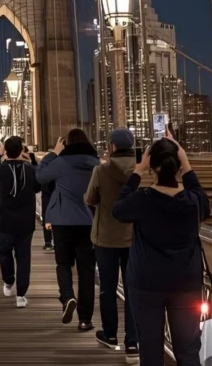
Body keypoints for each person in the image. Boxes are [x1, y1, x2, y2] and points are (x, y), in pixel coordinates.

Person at [113, 136, 210, 366]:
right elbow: (204, 202)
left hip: (146, 283)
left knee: (150, 350)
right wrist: (187, 165)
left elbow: (118, 210)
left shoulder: (142, 199)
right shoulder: (194, 201)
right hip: (186, 283)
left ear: (152, 167)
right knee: (188, 352)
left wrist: (137, 172)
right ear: (178, 166)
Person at [36, 128, 99, 330]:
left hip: (62, 221)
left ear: (67, 144)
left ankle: (67, 296)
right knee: (86, 271)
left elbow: (40, 176)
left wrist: (54, 152)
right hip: (89, 222)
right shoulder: (96, 165)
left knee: (63, 263)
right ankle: (85, 319)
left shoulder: (61, 162)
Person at [84, 128, 139, 361]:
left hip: (105, 238)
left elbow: (89, 199)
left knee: (107, 288)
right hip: (135, 239)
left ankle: (110, 335)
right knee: (133, 290)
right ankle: (132, 343)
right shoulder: (141, 172)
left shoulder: (101, 170)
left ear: (112, 147)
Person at [0, 136, 40, 308]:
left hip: (5, 220)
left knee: (4, 251)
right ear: (22, 150)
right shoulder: (30, 170)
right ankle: (21, 296)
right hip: (25, 222)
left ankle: (9, 281)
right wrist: (31, 158)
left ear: (6, 150)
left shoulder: (0, 169)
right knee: (24, 258)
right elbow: (38, 186)